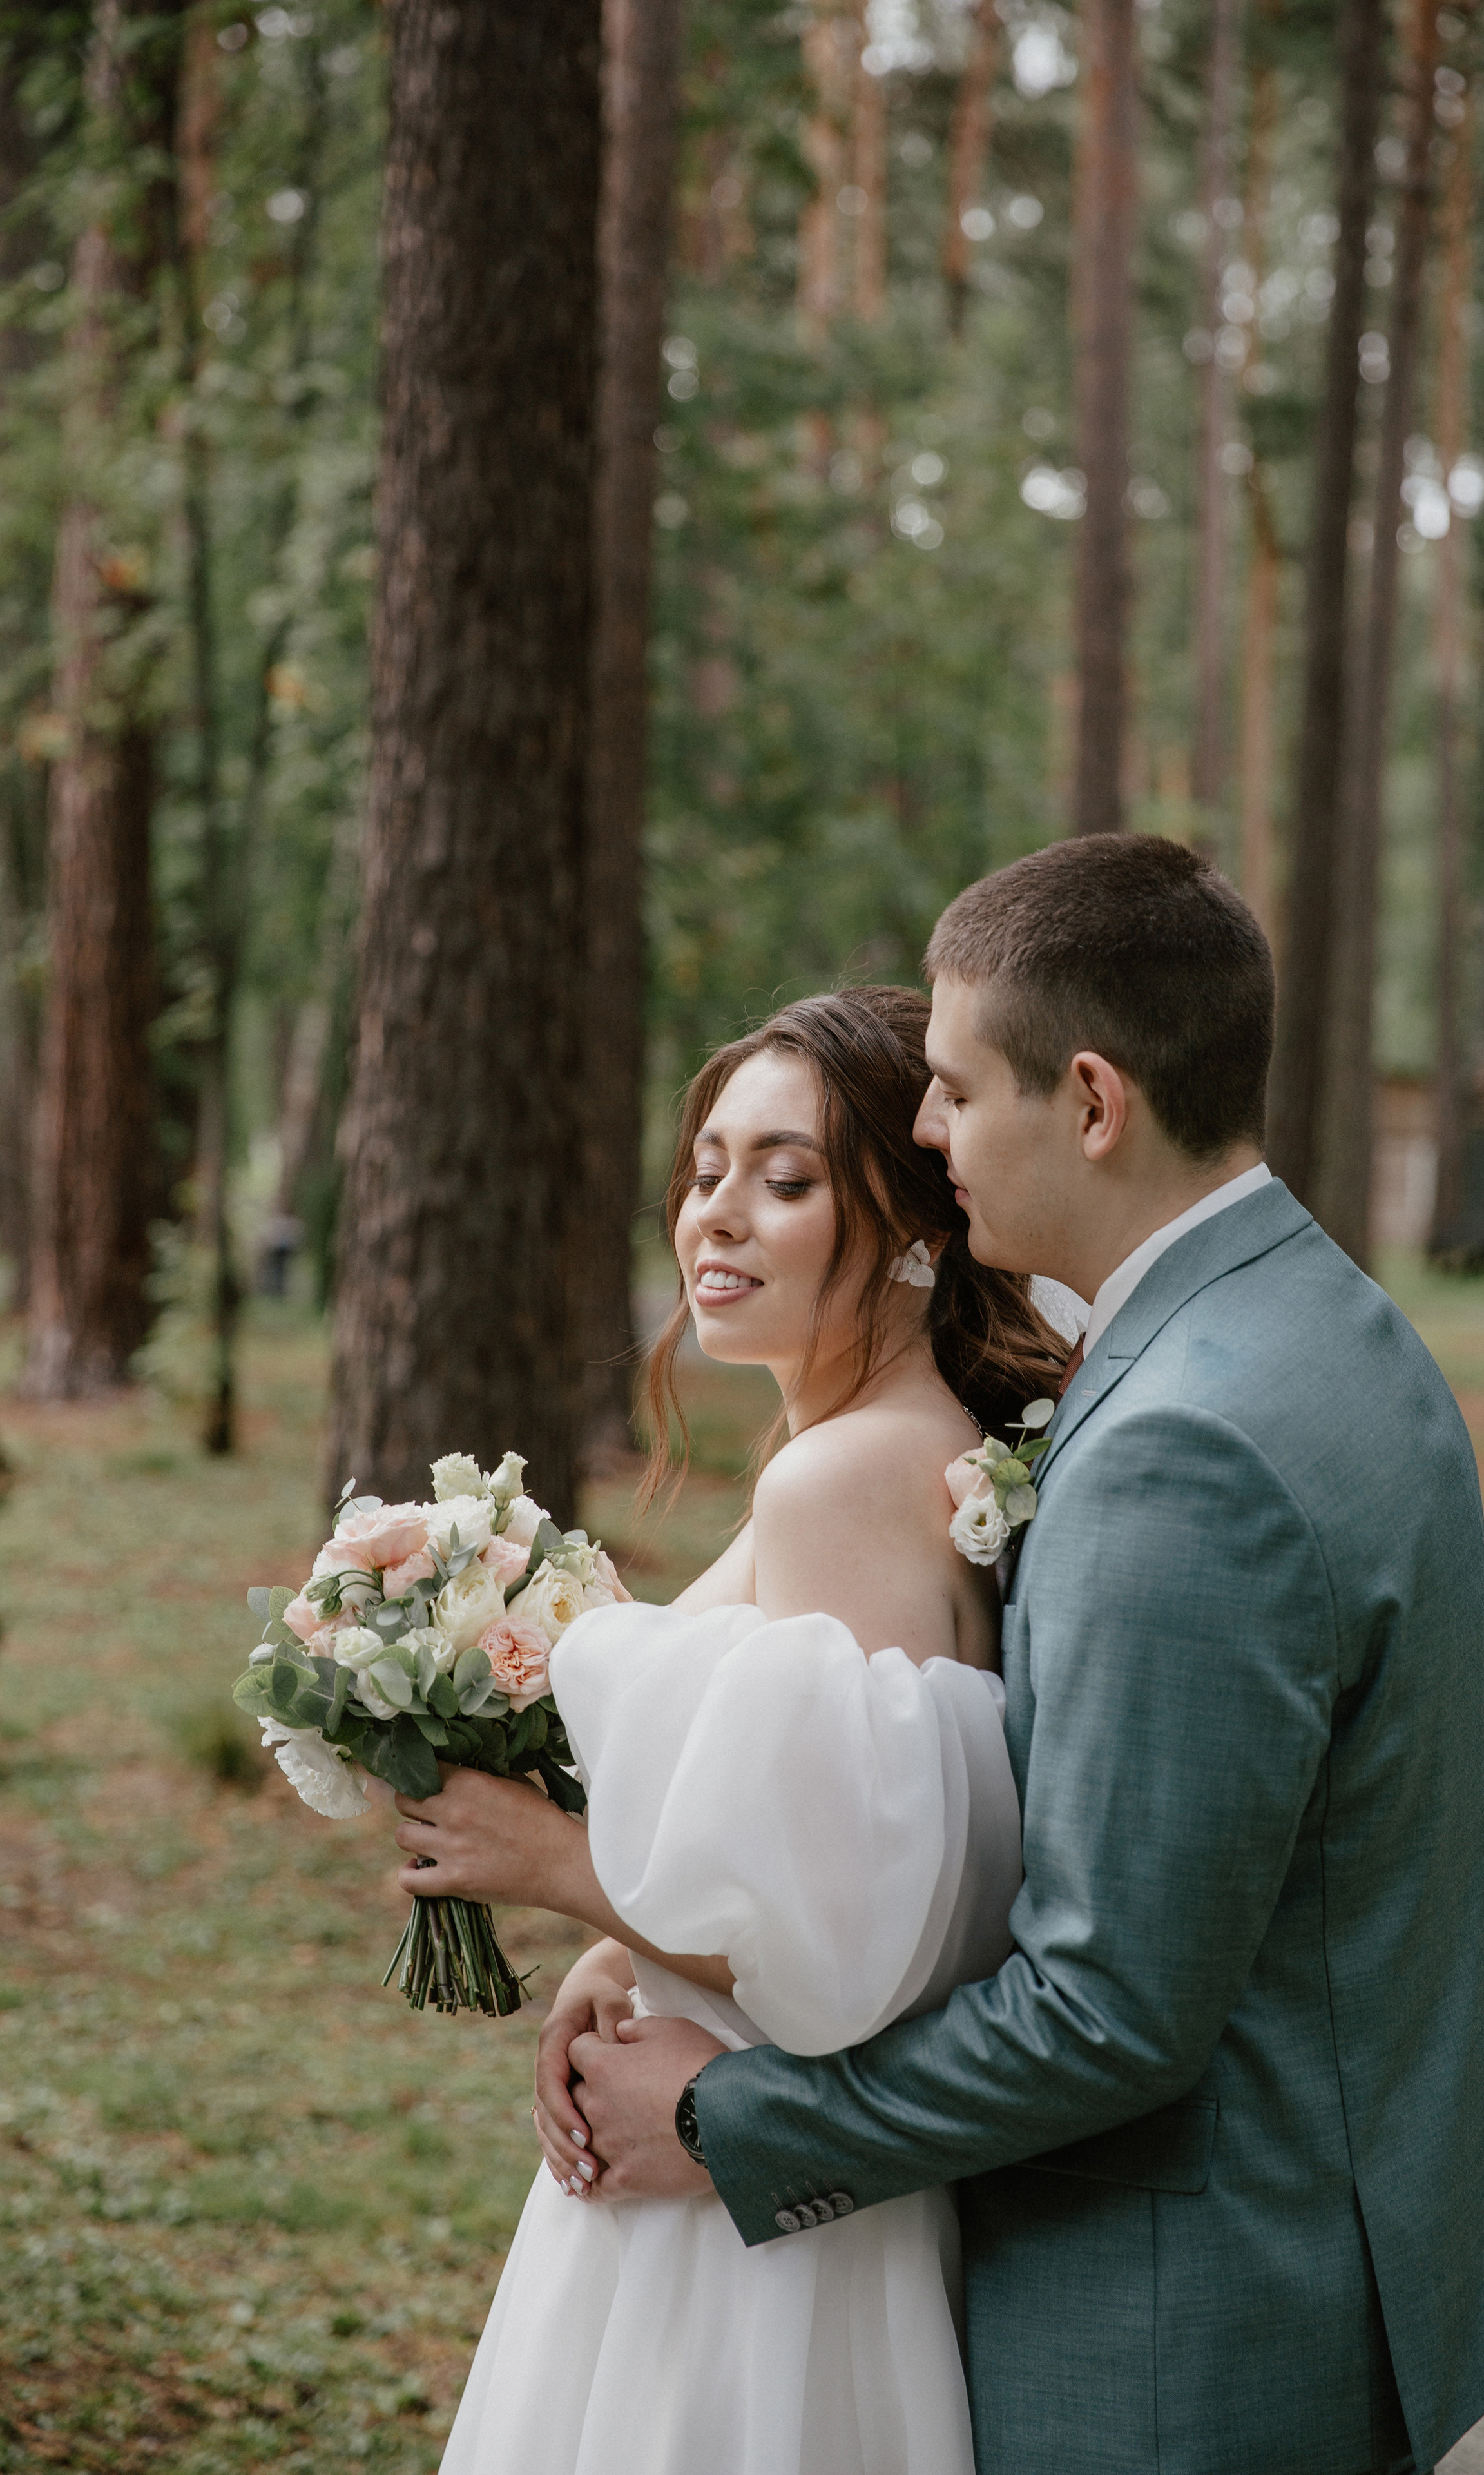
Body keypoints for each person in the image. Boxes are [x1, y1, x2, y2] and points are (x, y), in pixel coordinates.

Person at [542, 835, 1484, 2475]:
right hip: (1348, 2224)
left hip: (1186, 2318)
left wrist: (722, 2119)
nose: (929, 1135)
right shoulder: (1323, 1322)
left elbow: (1108, 2009)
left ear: (1088, 1102)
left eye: (949, 1089)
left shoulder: (1180, 1446)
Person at [391, 983, 1069, 2475]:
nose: (716, 1217)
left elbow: (842, 1956)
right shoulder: (908, 1445)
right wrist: (619, 1946)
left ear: (908, 1226)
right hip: (769, 2166)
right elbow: (836, 1847)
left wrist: (556, 1865)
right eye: (704, 1172)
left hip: (751, 2218)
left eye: (785, 1180)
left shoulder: (836, 1489)